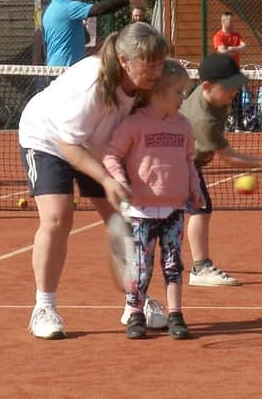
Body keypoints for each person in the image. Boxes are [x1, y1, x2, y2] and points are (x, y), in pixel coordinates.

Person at [18, 22, 168, 340]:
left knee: (123, 219)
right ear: (125, 61)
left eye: (159, 62)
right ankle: (43, 307)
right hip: (48, 139)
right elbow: (68, 144)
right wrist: (106, 179)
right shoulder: (94, 86)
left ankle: (134, 302)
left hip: (98, 145)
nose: (157, 70)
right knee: (58, 218)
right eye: (149, 63)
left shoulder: (146, 87)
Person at [103, 60, 204, 339]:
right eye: (179, 93)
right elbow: (110, 155)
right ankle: (135, 313)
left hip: (174, 209)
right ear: (157, 92)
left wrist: (194, 187)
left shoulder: (183, 126)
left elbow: (189, 161)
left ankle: (176, 315)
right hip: (140, 212)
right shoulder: (133, 125)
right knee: (140, 266)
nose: (184, 98)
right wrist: (119, 181)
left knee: (173, 264)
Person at [181, 53, 262, 286]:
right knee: (201, 208)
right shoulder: (203, 120)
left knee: (175, 214)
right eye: (229, 87)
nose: (235, 92)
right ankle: (200, 268)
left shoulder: (214, 97)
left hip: (185, 159)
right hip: (179, 164)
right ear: (208, 85)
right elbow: (229, 158)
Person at [43, 0, 147, 67]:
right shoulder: (67, 6)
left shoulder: (50, 9)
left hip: (54, 66)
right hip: (65, 68)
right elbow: (98, 9)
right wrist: (128, 0)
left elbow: (84, 38)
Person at [213, 12, 247, 130]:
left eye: (233, 21)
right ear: (223, 22)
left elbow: (244, 47)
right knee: (224, 98)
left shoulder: (237, 35)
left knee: (238, 98)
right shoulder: (218, 36)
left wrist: (232, 48)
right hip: (224, 72)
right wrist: (234, 50)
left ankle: (239, 123)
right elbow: (222, 51)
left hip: (235, 72)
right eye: (230, 21)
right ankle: (223, 122)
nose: (233, 24)